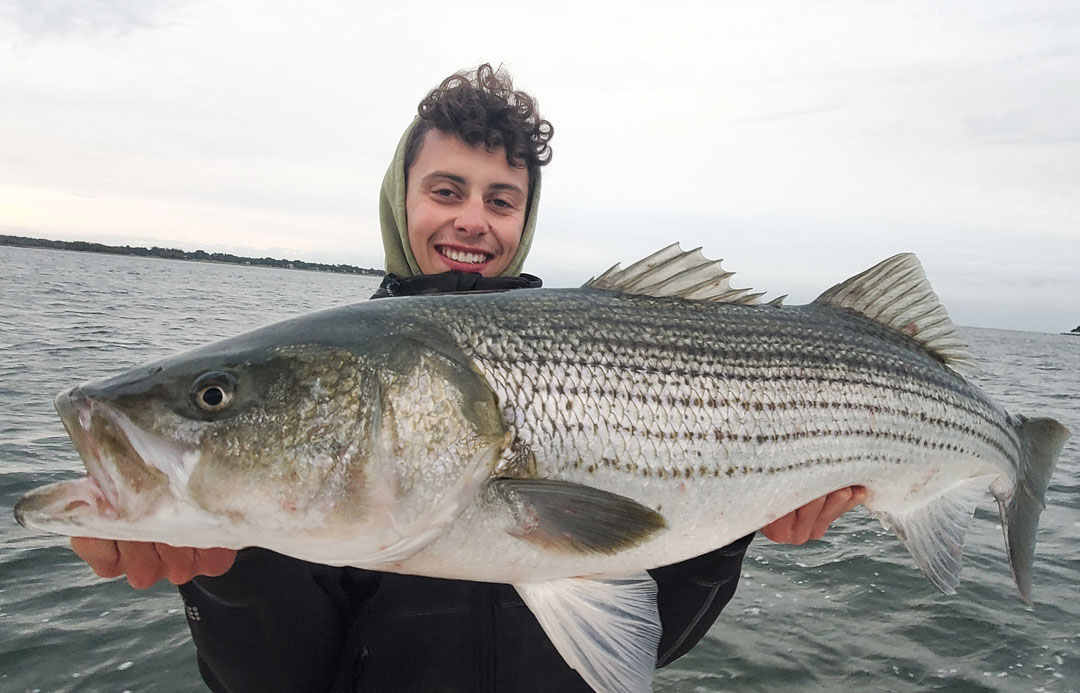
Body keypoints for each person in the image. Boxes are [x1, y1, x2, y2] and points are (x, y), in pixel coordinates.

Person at [71, 64, 867, 691]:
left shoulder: (589, 337)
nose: (472, 220)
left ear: (524, 221)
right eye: (445, 190)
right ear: (401, 200)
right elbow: (280, 678)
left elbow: (651, 643)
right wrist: (226, 562)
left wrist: (732, 529)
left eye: (502, 199)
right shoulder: (333, 396)